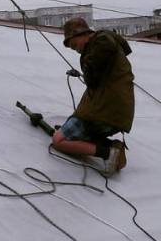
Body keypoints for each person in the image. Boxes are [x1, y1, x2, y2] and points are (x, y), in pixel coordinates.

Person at [52, 17, 135, 176]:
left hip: (103, 111)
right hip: (114, 112)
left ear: (81, 34)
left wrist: (86, 61)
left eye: (74, 45)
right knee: (71, 134)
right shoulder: (100, 44)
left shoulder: (102, 41)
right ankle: (114, 148)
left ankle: (108, 153)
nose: (75, 49)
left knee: (59, 140)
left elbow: (92, 77)